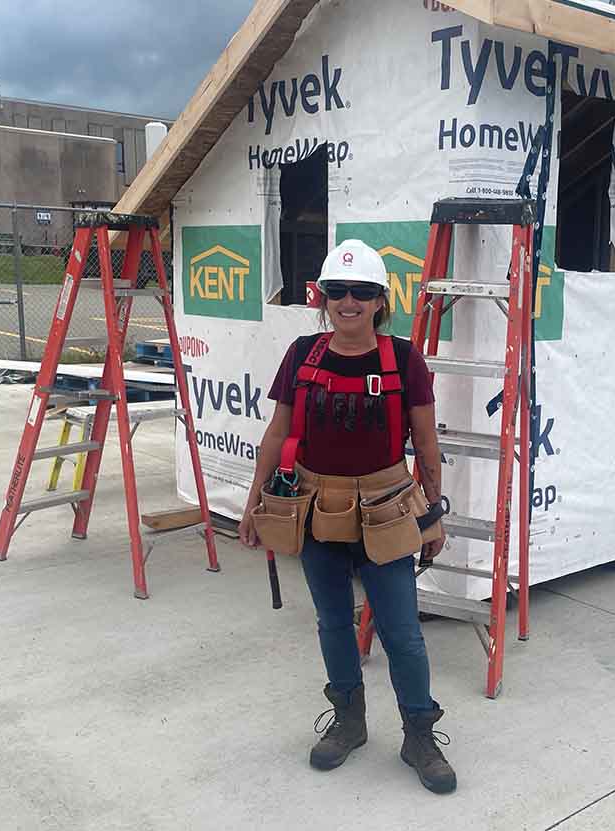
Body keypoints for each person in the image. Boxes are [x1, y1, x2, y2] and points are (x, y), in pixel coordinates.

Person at [238, 239, 457, 795]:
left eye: (362, 292)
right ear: (324, 297)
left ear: (381, 301)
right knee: (333, 623)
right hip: (317, 510)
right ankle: (350, 721)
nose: (349, 301)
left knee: (402, 633)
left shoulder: (404, 359)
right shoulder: (302, 355)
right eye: (338, 291)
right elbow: (277, 434)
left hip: (386, 510)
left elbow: (427, 449)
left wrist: (431, 519)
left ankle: (419, 734)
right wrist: (253, 501)